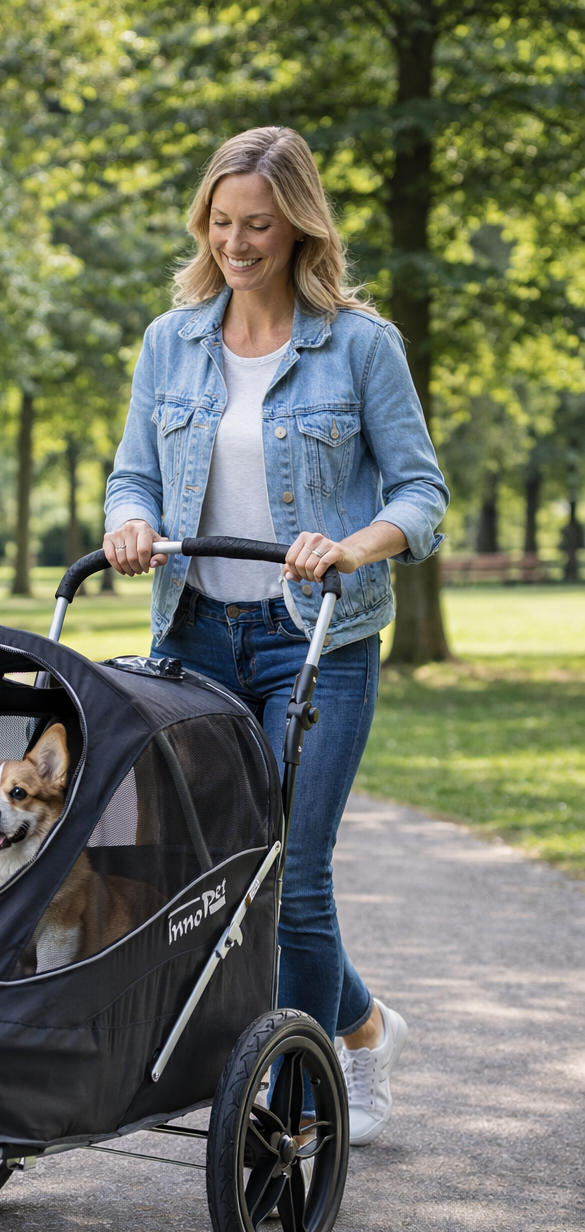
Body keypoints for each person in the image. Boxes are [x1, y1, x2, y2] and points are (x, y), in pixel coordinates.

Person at [103, 125, 449, 1145]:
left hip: (317, 642)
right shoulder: (171, 341)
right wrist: (130, 522)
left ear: (298, 227)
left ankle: (305, 1096)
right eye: (221, 222)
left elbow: (421, 494)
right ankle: (364, 1021)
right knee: (214, 872)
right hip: (195, 639)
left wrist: (350, 545)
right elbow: (133, 473)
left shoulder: (361, 346)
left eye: (257, 225)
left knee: (293, 875)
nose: (236, 243)